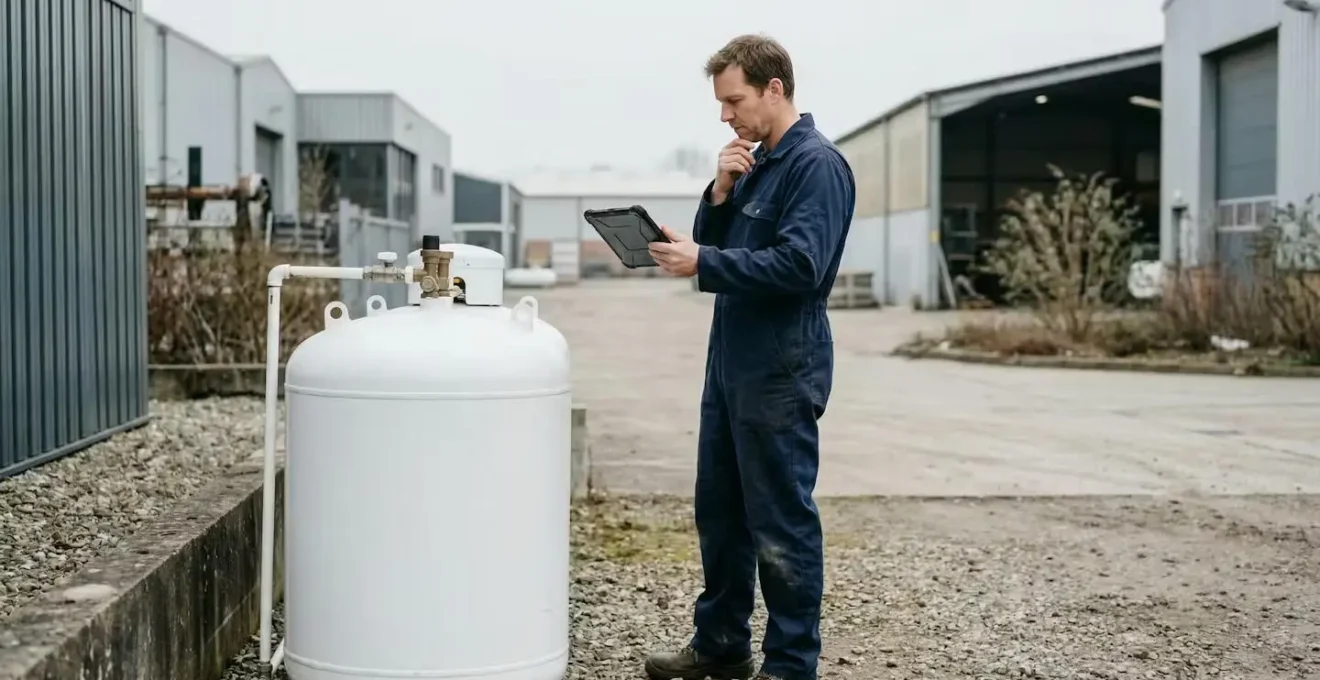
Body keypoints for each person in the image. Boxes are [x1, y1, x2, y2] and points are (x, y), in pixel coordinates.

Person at [643, 34, 856, 680]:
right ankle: (721, 644)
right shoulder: (756, 164)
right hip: (732, 364)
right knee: (721, 512)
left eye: (734, 100)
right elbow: (721, 244)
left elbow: (800, 265)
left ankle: (790, 664)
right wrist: (719, 191)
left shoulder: (816, 166)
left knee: (780, 520)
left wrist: (704, 260)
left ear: (774, 89)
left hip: (781, 367)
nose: (724, 115)